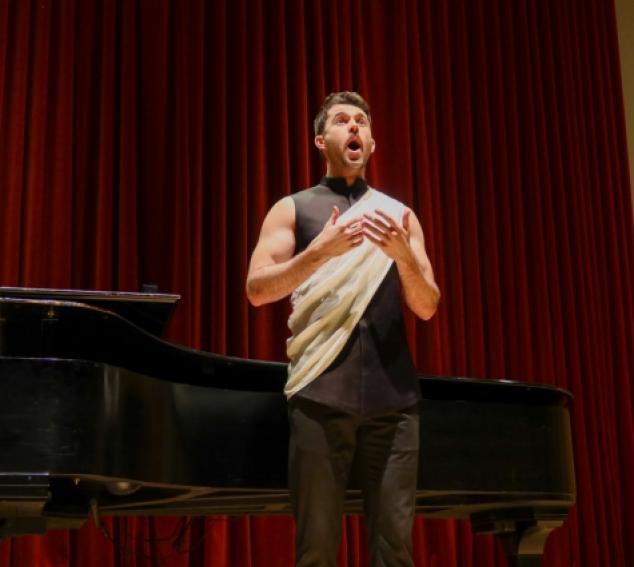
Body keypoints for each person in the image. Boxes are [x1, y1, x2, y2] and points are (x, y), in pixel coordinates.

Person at [246, 91, 440, 567]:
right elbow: (257, 289)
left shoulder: (399, 216)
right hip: (319, 396)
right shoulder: (292, 209)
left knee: (395, 552)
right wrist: (319, 254)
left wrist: (404, 260)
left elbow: (428, 305)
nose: (353, 127)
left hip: (394, 403)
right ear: (320, 139)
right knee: (316, 551)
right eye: (341, 120)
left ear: (372, 143)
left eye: (361, 121)